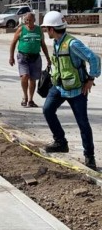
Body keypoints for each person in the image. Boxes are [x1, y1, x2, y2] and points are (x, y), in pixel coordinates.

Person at [39, 11, 100, 170]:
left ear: (52, 29)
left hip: (77, 90)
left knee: (82, 123)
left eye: (47, 29)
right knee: (47, 110)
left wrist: (91, 79)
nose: (46, 31)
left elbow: (94, 58)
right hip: (59, 87)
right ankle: (61, 142)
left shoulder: (72, 44)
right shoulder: (58, 42)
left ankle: (89, 156)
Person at [9, 12, 51, 107]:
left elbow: (43, 44)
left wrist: (48, 58)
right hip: (23, 57)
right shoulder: (21, 29)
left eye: (30, 20)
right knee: (25, 76)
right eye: (26, 20)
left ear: (34, 20)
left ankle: (31, 100)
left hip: (35, 57)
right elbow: (13, 43)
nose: (28, 22)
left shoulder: (38, 30)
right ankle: (25, 97)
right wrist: (11, 57)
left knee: (33, 79)